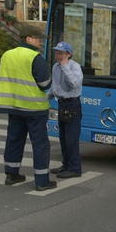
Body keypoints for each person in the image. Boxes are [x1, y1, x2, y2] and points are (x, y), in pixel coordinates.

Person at [0, 26, 56, 191]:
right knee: (40, 143)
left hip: (13, 106)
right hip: (34, 107)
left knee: (14, 140)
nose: (41, 42)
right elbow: (44, 84)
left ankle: (12, 174)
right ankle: (42, 181)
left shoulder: (7, 55)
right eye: (38, 38)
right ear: (28, 38)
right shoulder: (35, 57)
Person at [48, 41, 83, 178]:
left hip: (72, 104)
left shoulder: (75, 67)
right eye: (56, 52)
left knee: (71, 138)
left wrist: (65, 67)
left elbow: (75, 83)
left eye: (61, 53)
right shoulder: (56, 67)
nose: (57, 54)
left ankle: (75, 168)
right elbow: (54, 85)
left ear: (68, 54)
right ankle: (66, 164)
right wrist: (46, 98)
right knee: (63, 137)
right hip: (61, 103)